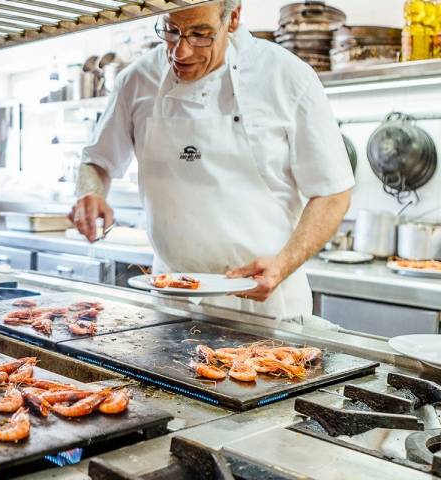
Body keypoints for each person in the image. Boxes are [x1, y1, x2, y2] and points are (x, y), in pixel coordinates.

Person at [70, 0, 354, 319]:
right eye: (171, 31)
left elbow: (333, 191)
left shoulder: (287, 76)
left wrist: (282, 264)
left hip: (265, 303)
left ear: (233, 18)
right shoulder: (136, 80)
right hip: (172, 298)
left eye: (200, 34)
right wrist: (89, 192)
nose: (181, 52)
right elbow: (95, 161)